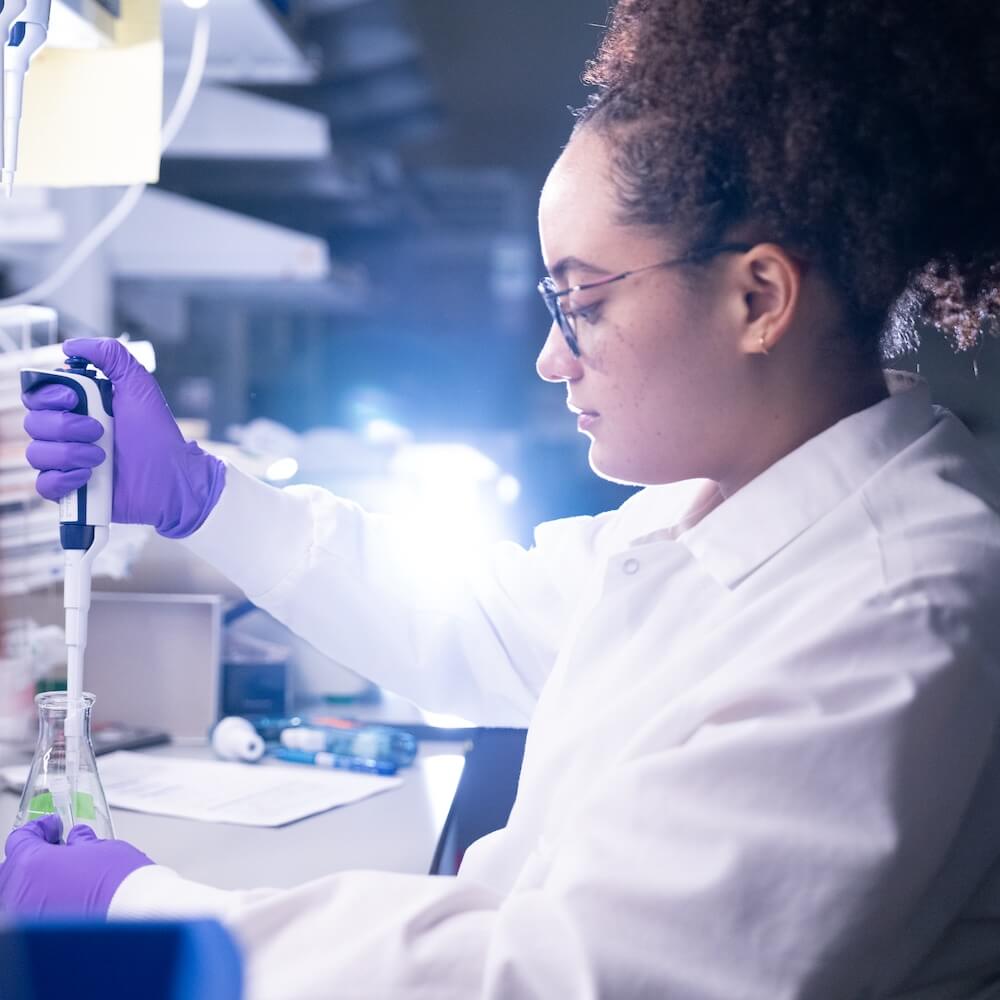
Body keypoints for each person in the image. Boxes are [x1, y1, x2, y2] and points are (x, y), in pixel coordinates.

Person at [4, 0, 1000, 996]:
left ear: (758, 299)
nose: (550, 358)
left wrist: (140, 912)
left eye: (583, 301)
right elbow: (468, 621)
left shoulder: (895, 607)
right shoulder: (718, 514)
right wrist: (202, 495)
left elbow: (564, 980)